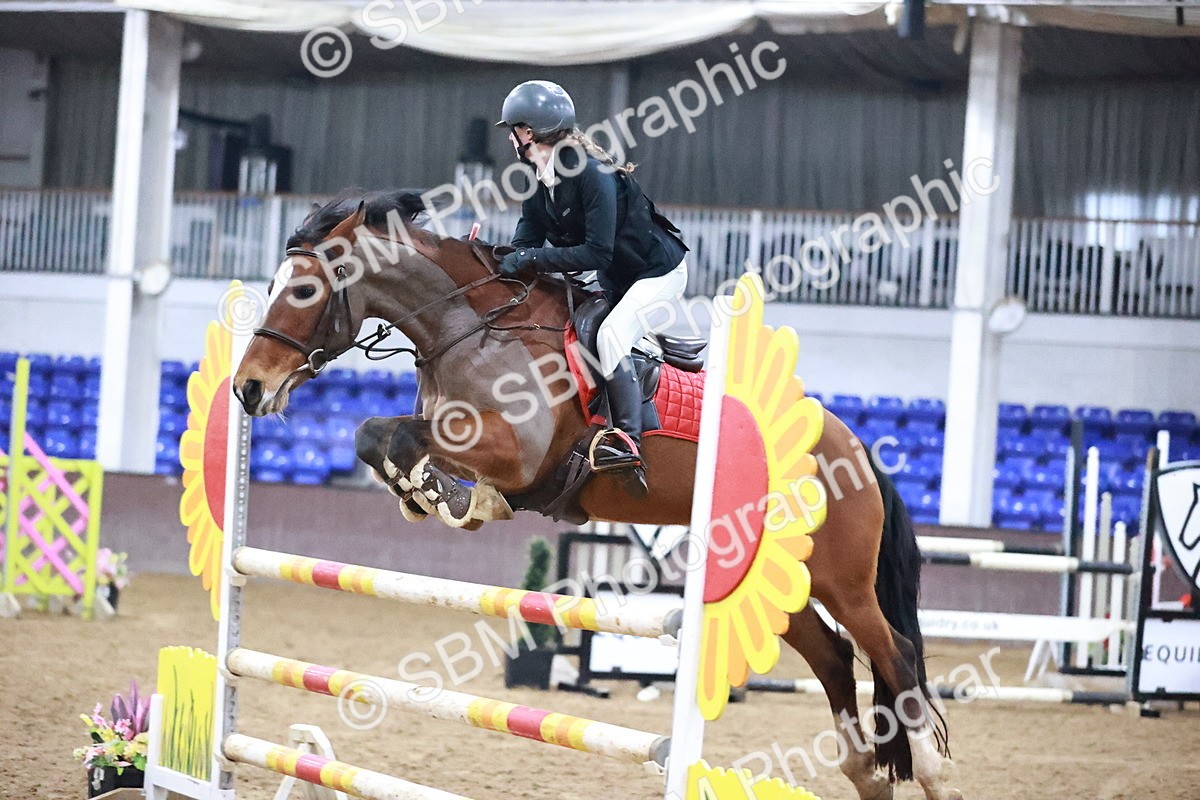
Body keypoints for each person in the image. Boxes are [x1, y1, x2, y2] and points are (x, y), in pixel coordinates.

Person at [495, 80, 688, 494]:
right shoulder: (539, 176)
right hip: (618, 276)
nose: (511, 137)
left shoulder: (589, 172)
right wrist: (493, 261)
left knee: (612, 335)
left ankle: (627, 442)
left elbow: (596, 253)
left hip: (657, 271)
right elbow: (526, 243)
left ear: (527, 132)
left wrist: (529, 260)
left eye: (513, 129)